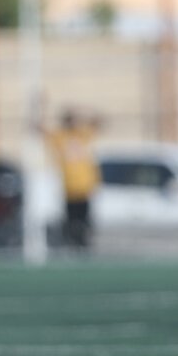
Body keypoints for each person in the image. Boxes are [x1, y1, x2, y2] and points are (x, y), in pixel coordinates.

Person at [43, 107, 103, 250]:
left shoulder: (81, 134)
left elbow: (98, 121)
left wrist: (83, 115)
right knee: (71, 221)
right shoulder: (60, 136)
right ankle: (72, 244)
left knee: (84, 221)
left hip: (84, 187)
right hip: (69, 188)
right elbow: (41, 131)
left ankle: (83, 245)